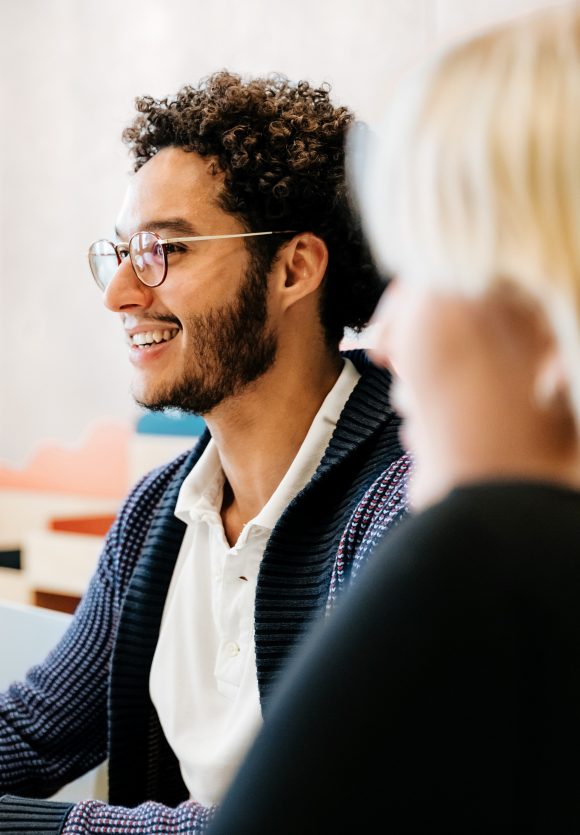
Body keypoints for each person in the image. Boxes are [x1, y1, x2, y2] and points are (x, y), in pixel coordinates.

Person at [0, 72, 409, 833]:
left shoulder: (403, 505)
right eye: (121, 251)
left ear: (295, 268)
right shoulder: (158, 514)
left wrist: (52, 826)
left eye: (164, 249)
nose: (121, 291)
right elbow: (32, 731)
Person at [206, 5, 580, 833]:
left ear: (554, 313)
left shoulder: (492, 547)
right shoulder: (162, 509)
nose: (382, 337)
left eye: (421, 268)